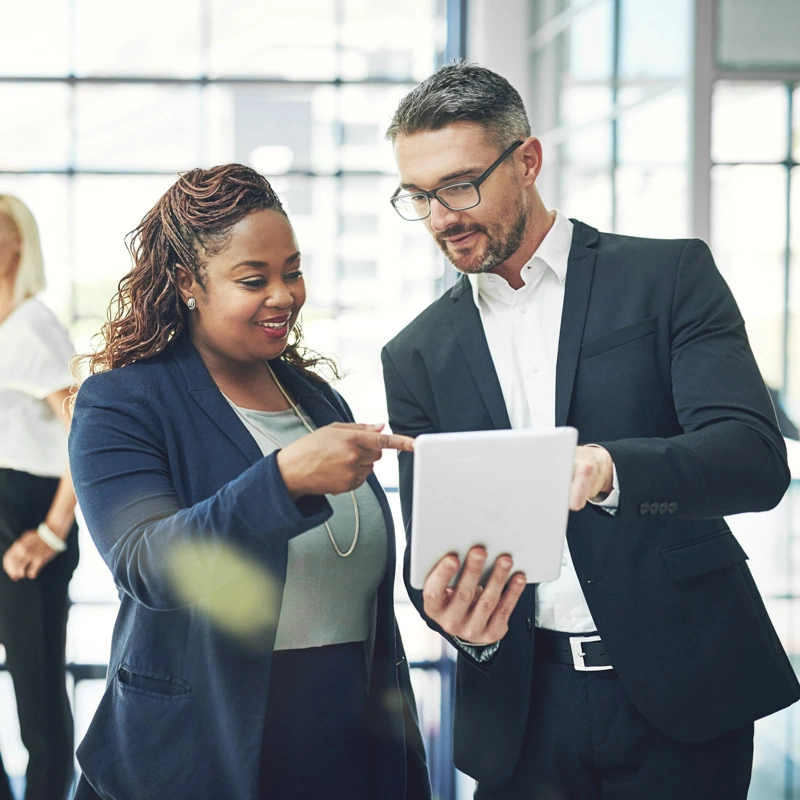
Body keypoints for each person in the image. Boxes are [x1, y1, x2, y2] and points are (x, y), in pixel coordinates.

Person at [380, 62, 800, 800]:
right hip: (523, 717)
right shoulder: (415, 354)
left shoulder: (668, 278)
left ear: (529, 161)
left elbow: (754, 461)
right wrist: (458, 622)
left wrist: (608, 467)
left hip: (685, 697)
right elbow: (435, 549)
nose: (442, 216)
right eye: (419, 196)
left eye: (459, 185)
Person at [68, 164, 430, 800]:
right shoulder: (123, 402)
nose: (284, 295)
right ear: (187, 282)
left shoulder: (316, 400)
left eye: (292, 271)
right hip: (199, 758)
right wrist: (285, 478)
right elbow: (148, 562)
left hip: (345, 757)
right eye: (253, 279)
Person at [0, 194, 79, 800]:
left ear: (18, 247)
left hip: (25, 511)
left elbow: (85, 436)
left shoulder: (33, 325)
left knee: (37, 697)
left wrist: (53, 532)